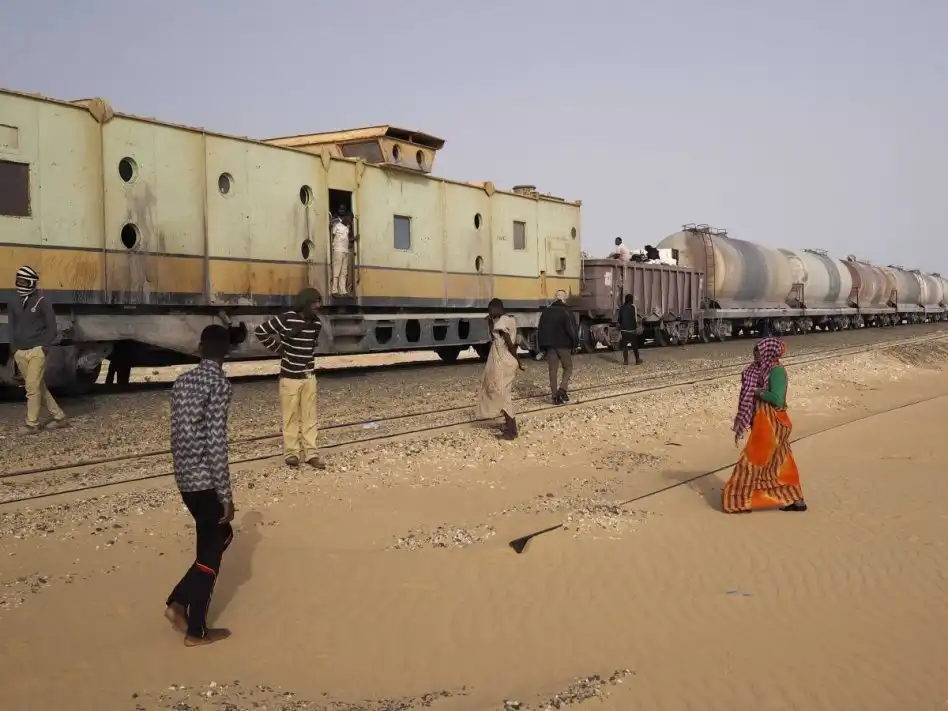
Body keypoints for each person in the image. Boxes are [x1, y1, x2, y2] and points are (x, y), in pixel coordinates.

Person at [165, 325, 235, 647]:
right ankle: (196, 631)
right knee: (212, 551)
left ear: (199, 347)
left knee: (218, 538)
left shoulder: (182, 381)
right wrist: (226, 495)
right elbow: (216, 442)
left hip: (184, 476)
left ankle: (178, 603)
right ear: (227, 352)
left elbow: (179, 432)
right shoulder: (219, 384)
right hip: (205, 479)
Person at [723, 337, 807, 513]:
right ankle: (796, 499)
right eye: (755, 351)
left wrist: (757, 392)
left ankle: (738, 500)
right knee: (781, 461)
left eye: (759, 351)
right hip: (768, 422)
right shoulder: (762, 370)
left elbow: (777, 399)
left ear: (768, 352)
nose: (755, 354)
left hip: (772, 423)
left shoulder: (776, 372)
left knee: (752, 461)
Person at [254, 288, 325, 469]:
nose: (318, 305)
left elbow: (311, 346)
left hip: (309, 376)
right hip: (290, 377)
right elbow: (260, 331)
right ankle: (292, 453)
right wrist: (278, 348)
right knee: (290, 417)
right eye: (314, 302)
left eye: (319, 301)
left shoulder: (316, 324)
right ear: (305, 302)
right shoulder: (285, 319)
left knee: (310, 417)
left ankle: (311, 454)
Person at [7, 266, 68, 433]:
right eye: (19, 281)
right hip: (20, 353)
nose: (20, 285)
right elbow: (11, 327)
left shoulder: (43, 302)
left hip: (37, 351)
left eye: (24, 282)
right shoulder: (12, 302)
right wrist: (14, 350)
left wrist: (44, 348)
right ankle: (59, 417)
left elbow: (52, 328)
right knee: (38, 387)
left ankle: (32, 423)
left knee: (31, 388)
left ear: (32, 283)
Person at [475, 298, 523, 440]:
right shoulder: (508, 320)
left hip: (503, 361)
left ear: (498, 308)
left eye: (490, 310)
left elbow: (508, 341)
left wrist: (518, 359)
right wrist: (491, 321)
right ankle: (509, 425)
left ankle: (512, 431)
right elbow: (496, 336)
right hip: (506, 360)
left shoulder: (502, 321)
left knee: (502, 394)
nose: (489, 312)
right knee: (502, 393)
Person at [536, 289, 577, 404]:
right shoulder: (566, 311)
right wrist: (575, 343)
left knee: (552, 370)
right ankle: (562, 389)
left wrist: (542, 347)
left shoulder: (546, 311)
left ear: (555, 298)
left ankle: (555, 396)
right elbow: (571, 329)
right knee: (568, 367)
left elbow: (540, 329)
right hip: (563, 345)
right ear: (564, 298)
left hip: (550, 346)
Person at [617, 294, 642, 365]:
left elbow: (619, 319)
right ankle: (637, 360)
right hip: (632, 329)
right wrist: (635, 327)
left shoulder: (621, 308)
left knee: (625, 346)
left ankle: (626, 361)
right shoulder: (633, 307)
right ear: (631, 300)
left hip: (624, 330)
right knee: (635, 345)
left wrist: (621, 326)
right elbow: (634, 318)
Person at [330, 216, 351, 295]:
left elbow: (346, 239)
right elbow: (332, 236)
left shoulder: (346, 228)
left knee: (344, 272)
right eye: (348, 220)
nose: (349, 221)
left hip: (345, 251)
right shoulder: (337, 225)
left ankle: (342, 290)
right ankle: (334, 290)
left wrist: (354, 239)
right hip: (338, 250)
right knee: (336, 271)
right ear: (344, 219)